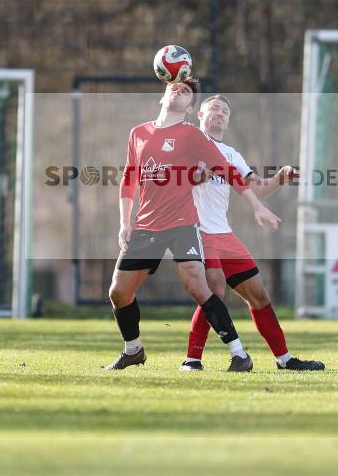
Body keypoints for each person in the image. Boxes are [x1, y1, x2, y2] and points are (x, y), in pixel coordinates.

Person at [106, 76, 281, 372]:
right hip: (146, 226)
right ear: (163, 94)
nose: (180, 90)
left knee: (202, 289)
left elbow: (227, 171)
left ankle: (239, 354)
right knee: (118, 293)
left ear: (190, 108)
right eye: (175, 86)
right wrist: (125, 222)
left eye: (187, 91)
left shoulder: (191, 135)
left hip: (182, 224)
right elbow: (129, 178)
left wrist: (256, 205)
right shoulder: (138, 133)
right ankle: (133, 349)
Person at [181, 94, 325, 371]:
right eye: (214, 108)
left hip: (224, 233)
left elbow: (256, 188)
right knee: (214, 291)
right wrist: (200, 174)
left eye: (225, 110)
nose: (220, 113)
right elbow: (183, 177)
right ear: (200, 115)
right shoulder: (191, 142)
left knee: (258, 294)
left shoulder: (232, 154)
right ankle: (192, 360)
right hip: (197, 231)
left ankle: (285, 360)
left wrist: (279, 179)